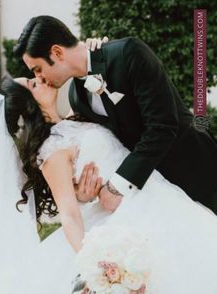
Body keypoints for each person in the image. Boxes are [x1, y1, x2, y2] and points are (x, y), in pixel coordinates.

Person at [0, 75, 217, 294]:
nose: (40, 78)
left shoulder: (74, 118)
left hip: (159, 199)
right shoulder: (51, 151)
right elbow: (69, 214)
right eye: (33, 84)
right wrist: (94, 267)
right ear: (29, 106)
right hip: (126, 223)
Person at [13, 15, 217, 215]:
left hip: (195, 169)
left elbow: (162, 127)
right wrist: (81, 192)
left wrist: (117, 186)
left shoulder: (128, 53)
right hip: (153, 194)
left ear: (57, 52)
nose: (38, 77)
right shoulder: (76, 96)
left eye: (38, 69)